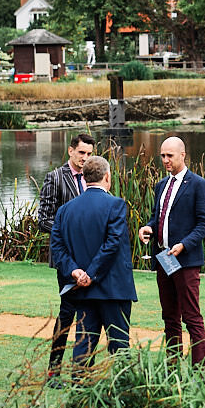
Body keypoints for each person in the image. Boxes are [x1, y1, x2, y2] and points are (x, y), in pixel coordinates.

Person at [50, 154, 136, 366]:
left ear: (84, 178)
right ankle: (123, 383)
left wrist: (75, 271)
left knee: (84, 344)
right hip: (112, 289)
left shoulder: (65, 210)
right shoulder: (115, 204)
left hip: (82, 289)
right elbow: (112, 243)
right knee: (119, 345)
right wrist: (91, 273)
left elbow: (57, 247)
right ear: (107, 177)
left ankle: (79, 384)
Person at [137, 135, 205, 366]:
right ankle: (172, 368)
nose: (165, 160)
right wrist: (148, 228)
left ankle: (197, 371)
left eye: (169, 155)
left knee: (191, 317)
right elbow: (157, 217)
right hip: (163, 259)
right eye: (162, 155)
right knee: (169, 317)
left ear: (183, 155)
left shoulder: (198, 184)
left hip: (186, 261)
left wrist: (184, 245)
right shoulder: (161, 185)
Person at [37, 132, 96, 380]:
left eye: (89, 154)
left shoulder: (95, 178)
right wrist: (72, 233)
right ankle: (54, 371)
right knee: (67, 314)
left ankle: (83, 371)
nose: (85, 158)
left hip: (91, 259)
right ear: (70, 151)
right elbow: (43, 219)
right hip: (66, 259)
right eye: (81, 152)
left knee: (90, 315)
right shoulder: (55, 177)